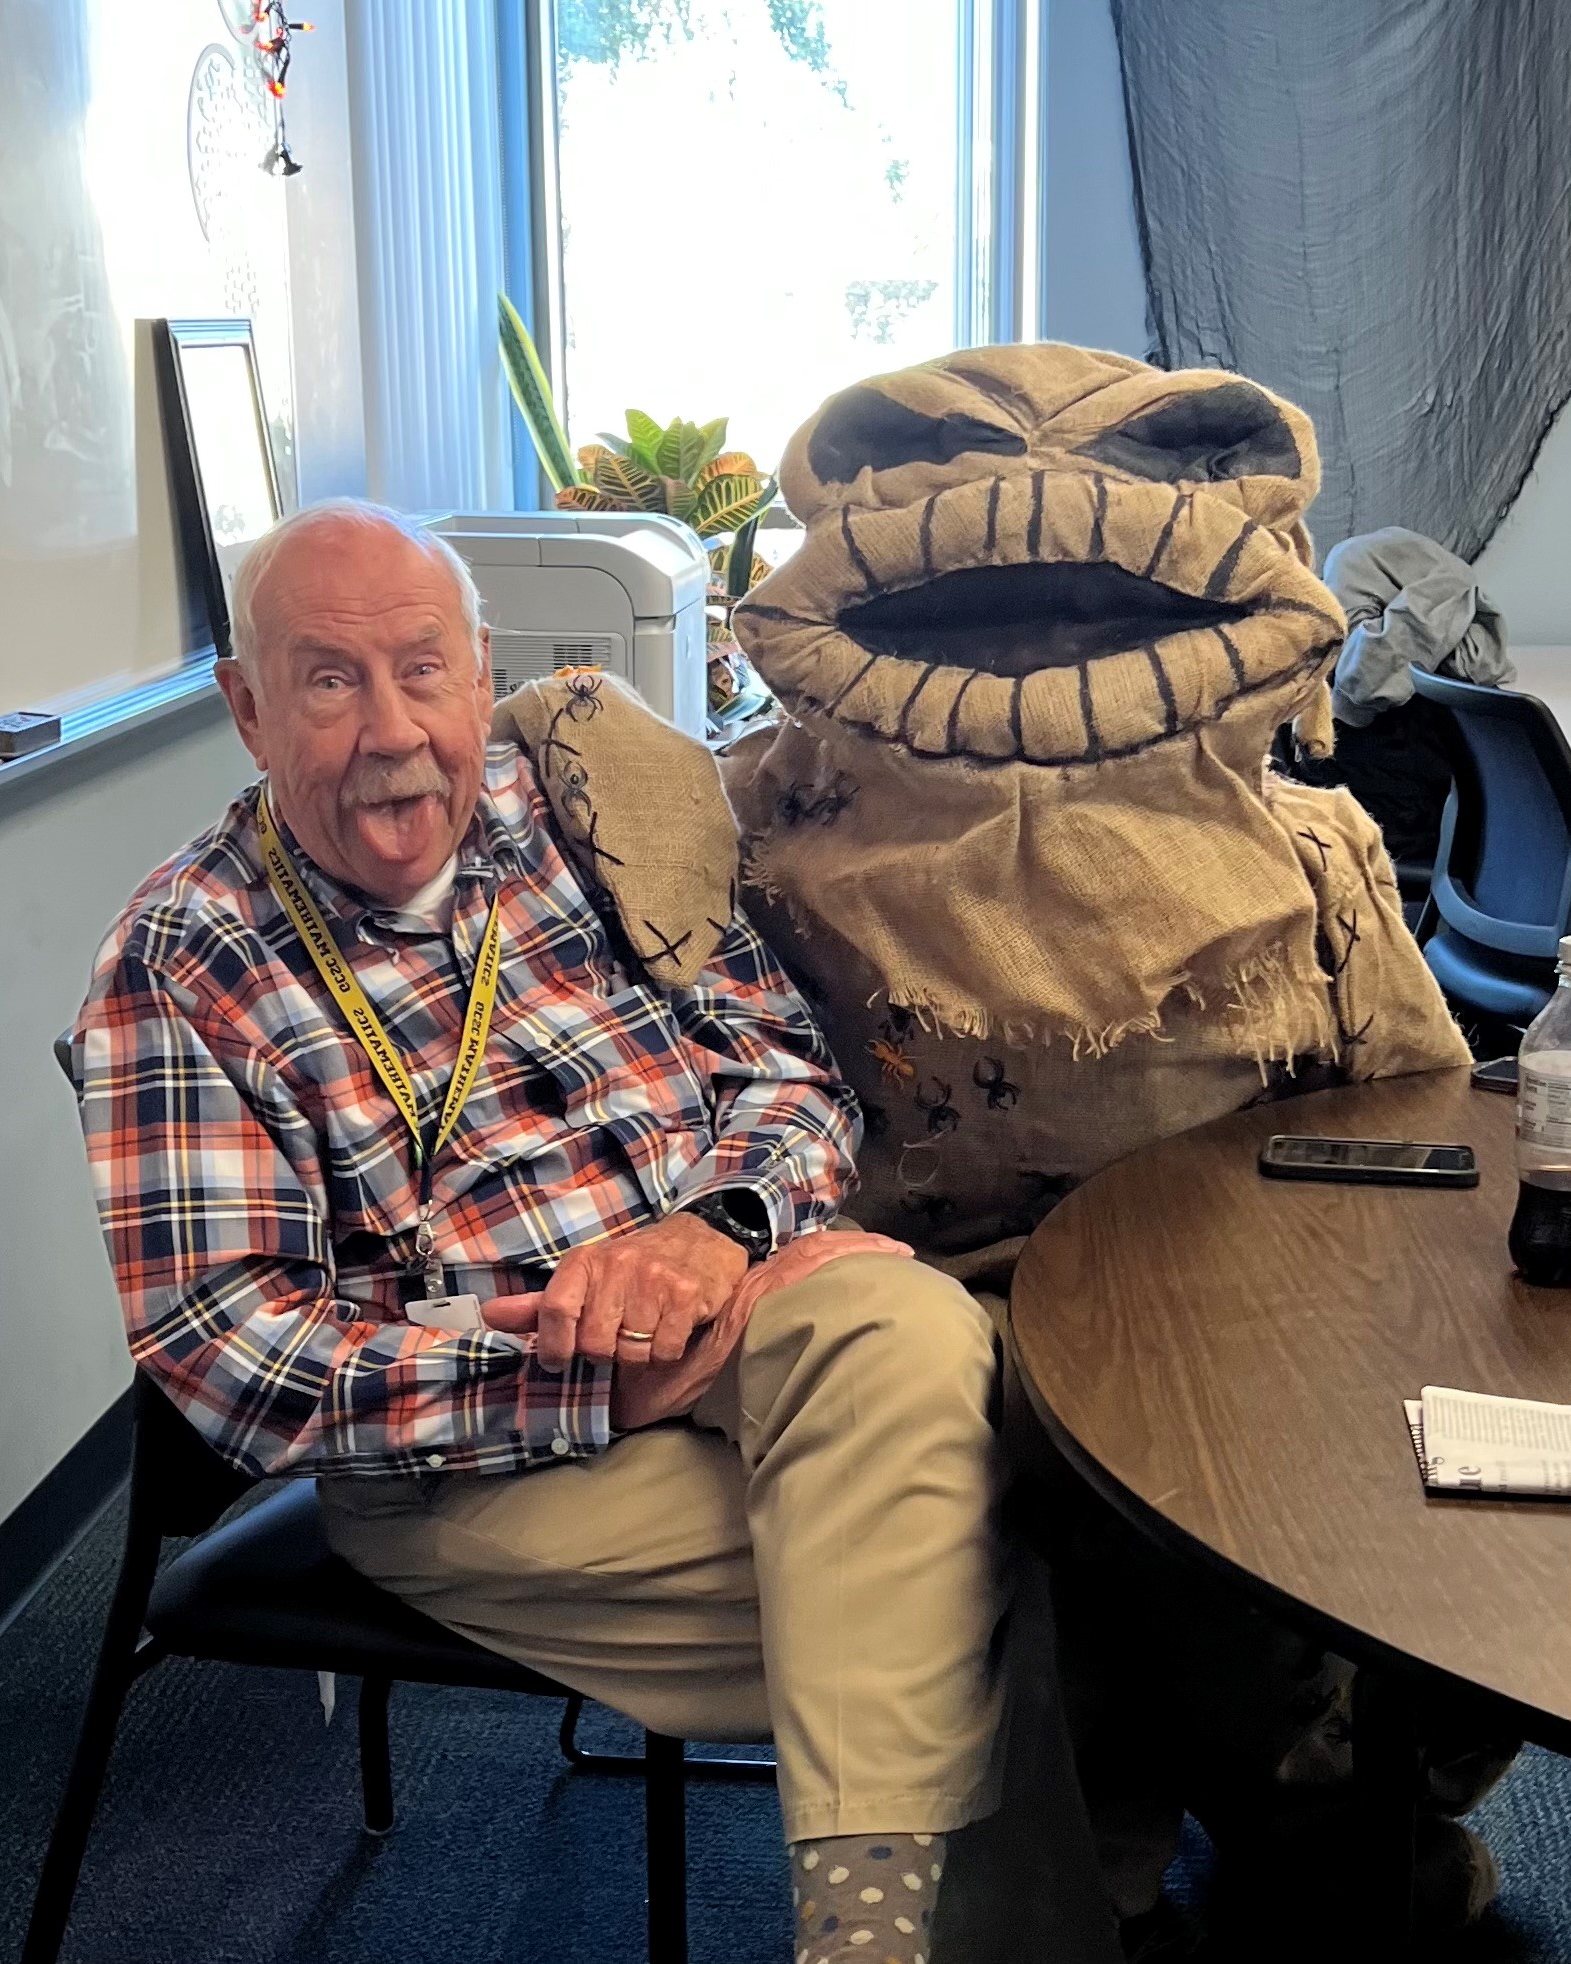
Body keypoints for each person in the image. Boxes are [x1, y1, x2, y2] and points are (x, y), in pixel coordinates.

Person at [73, 499, 1006, 1964]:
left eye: (424, 670)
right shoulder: (184, 958)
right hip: (471, 1461)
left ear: (482, 664)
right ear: (246, 710)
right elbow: (229, 1354)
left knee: (893, 1334)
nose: (393, 731)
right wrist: (596, 1381)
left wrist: (714, 1232)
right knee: (990, 1553)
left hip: (758, 1325)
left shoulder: (573, 815)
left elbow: (784, 1073)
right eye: (329, 680)